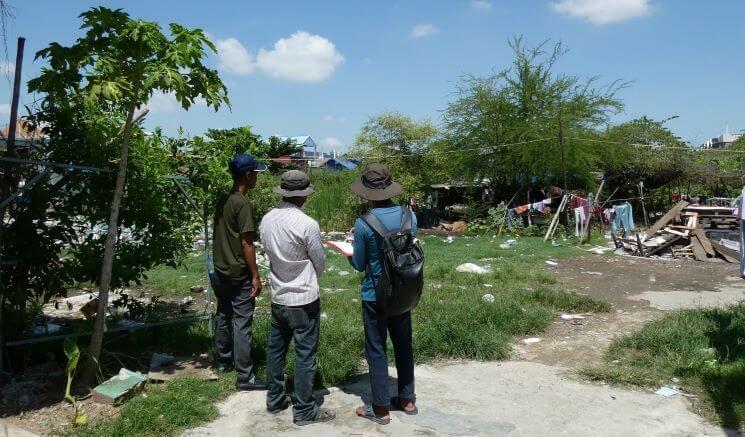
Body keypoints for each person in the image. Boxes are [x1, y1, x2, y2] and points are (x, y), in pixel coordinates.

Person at [259, 170, 336, 425]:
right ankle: (304, 411)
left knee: (276, 350)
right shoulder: (307, 224)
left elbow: (269, 253)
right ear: (303, 196)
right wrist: (311, 275)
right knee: (305, 354)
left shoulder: (267, 219)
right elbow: (319, 261)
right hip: (303, 297)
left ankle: (276, 399)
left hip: (279, 295)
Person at [348, 164, 419, 425]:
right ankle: (407, 399)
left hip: (374, 295)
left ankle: (380, 409)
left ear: (367, 192)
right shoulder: (409, 216)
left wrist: (349, 252)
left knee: (376, 350)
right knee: (404, 344)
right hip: (403, 292)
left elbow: (358, 263)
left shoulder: (364, 223)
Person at [210, 154, 267, 391]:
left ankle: (224, 361)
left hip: (221, 268)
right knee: (242, 322)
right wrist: (255, 275)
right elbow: (247, 242)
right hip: (237, 271)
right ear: (248, 175)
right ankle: (245, 376)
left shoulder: (224, 198)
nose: (257, 179)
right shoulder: (242, 203)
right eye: (256, 174)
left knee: (223, 314)